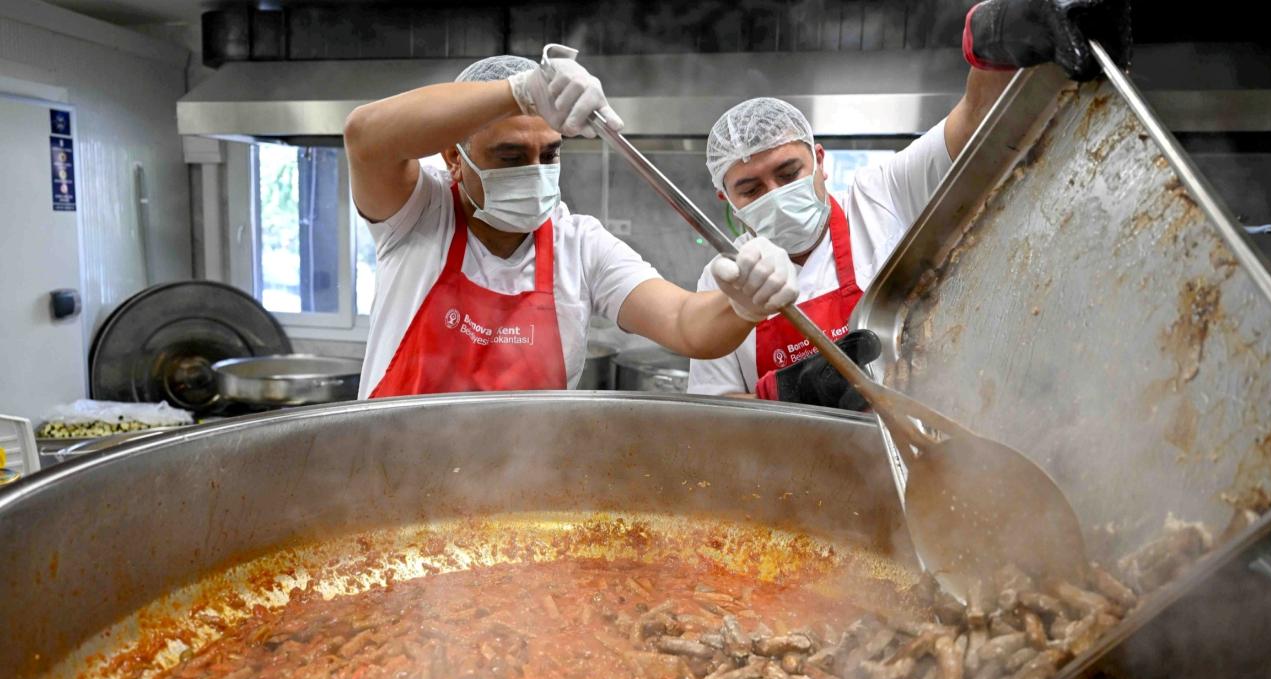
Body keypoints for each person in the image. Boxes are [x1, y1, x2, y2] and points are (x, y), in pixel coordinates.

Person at [687, 0, 1131, 408]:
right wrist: (788, 393)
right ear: (727, 199)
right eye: (751, 189)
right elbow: (711, 414)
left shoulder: (883, 195)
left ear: (820, 160)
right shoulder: (722, 281)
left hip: (908, 449)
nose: (776, 195)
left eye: (788, 174)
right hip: (791, 464)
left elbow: (975, 119)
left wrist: (992, 43)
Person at [344, 46, 798, 398]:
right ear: (453, 158)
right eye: (510, 157)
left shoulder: (579, 246)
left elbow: (683, 322)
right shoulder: (419, 211)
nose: (535, 172)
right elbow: (364, 137)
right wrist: (519, 92)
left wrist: (743, 305)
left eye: (549, 154)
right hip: (393, 479)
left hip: (527, 484)